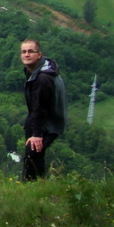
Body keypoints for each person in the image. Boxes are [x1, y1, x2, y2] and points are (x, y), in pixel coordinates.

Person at [19, 39, 67, 181]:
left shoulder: (43, 78)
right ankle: (39, 185)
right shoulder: (34, 70)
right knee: (35, 156)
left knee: (32, 154)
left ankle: (30, 187)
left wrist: (37, 134)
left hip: (49, 122)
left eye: (30, 51)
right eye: (23, 52)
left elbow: (40, 106)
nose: (27, 55)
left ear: (39, 55)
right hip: (37, 117)